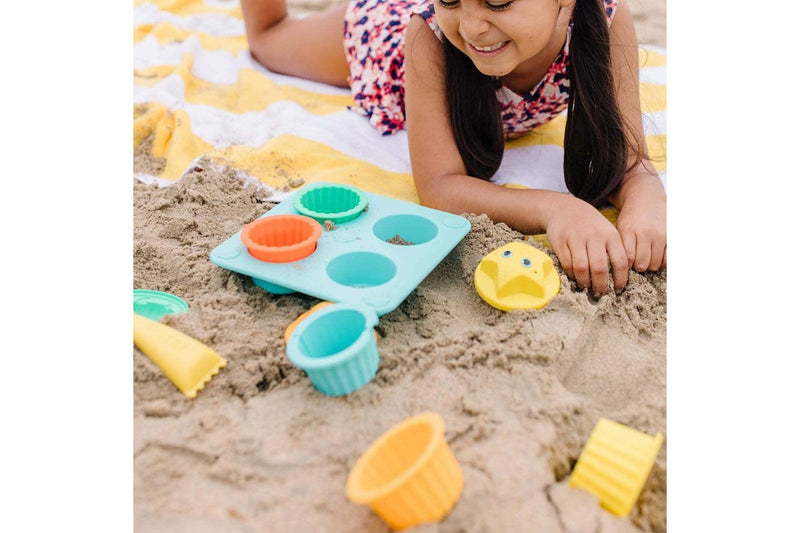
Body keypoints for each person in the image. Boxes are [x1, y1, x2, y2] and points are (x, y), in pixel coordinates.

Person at [240, 0, 666, 295]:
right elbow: (440, 187)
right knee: (267, 39)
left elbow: (629, 162)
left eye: (498, 2)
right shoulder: (432, 32)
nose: (472, 27)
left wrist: (647, 200)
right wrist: (558, 209)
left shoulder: (606, 16)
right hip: (382, 40)